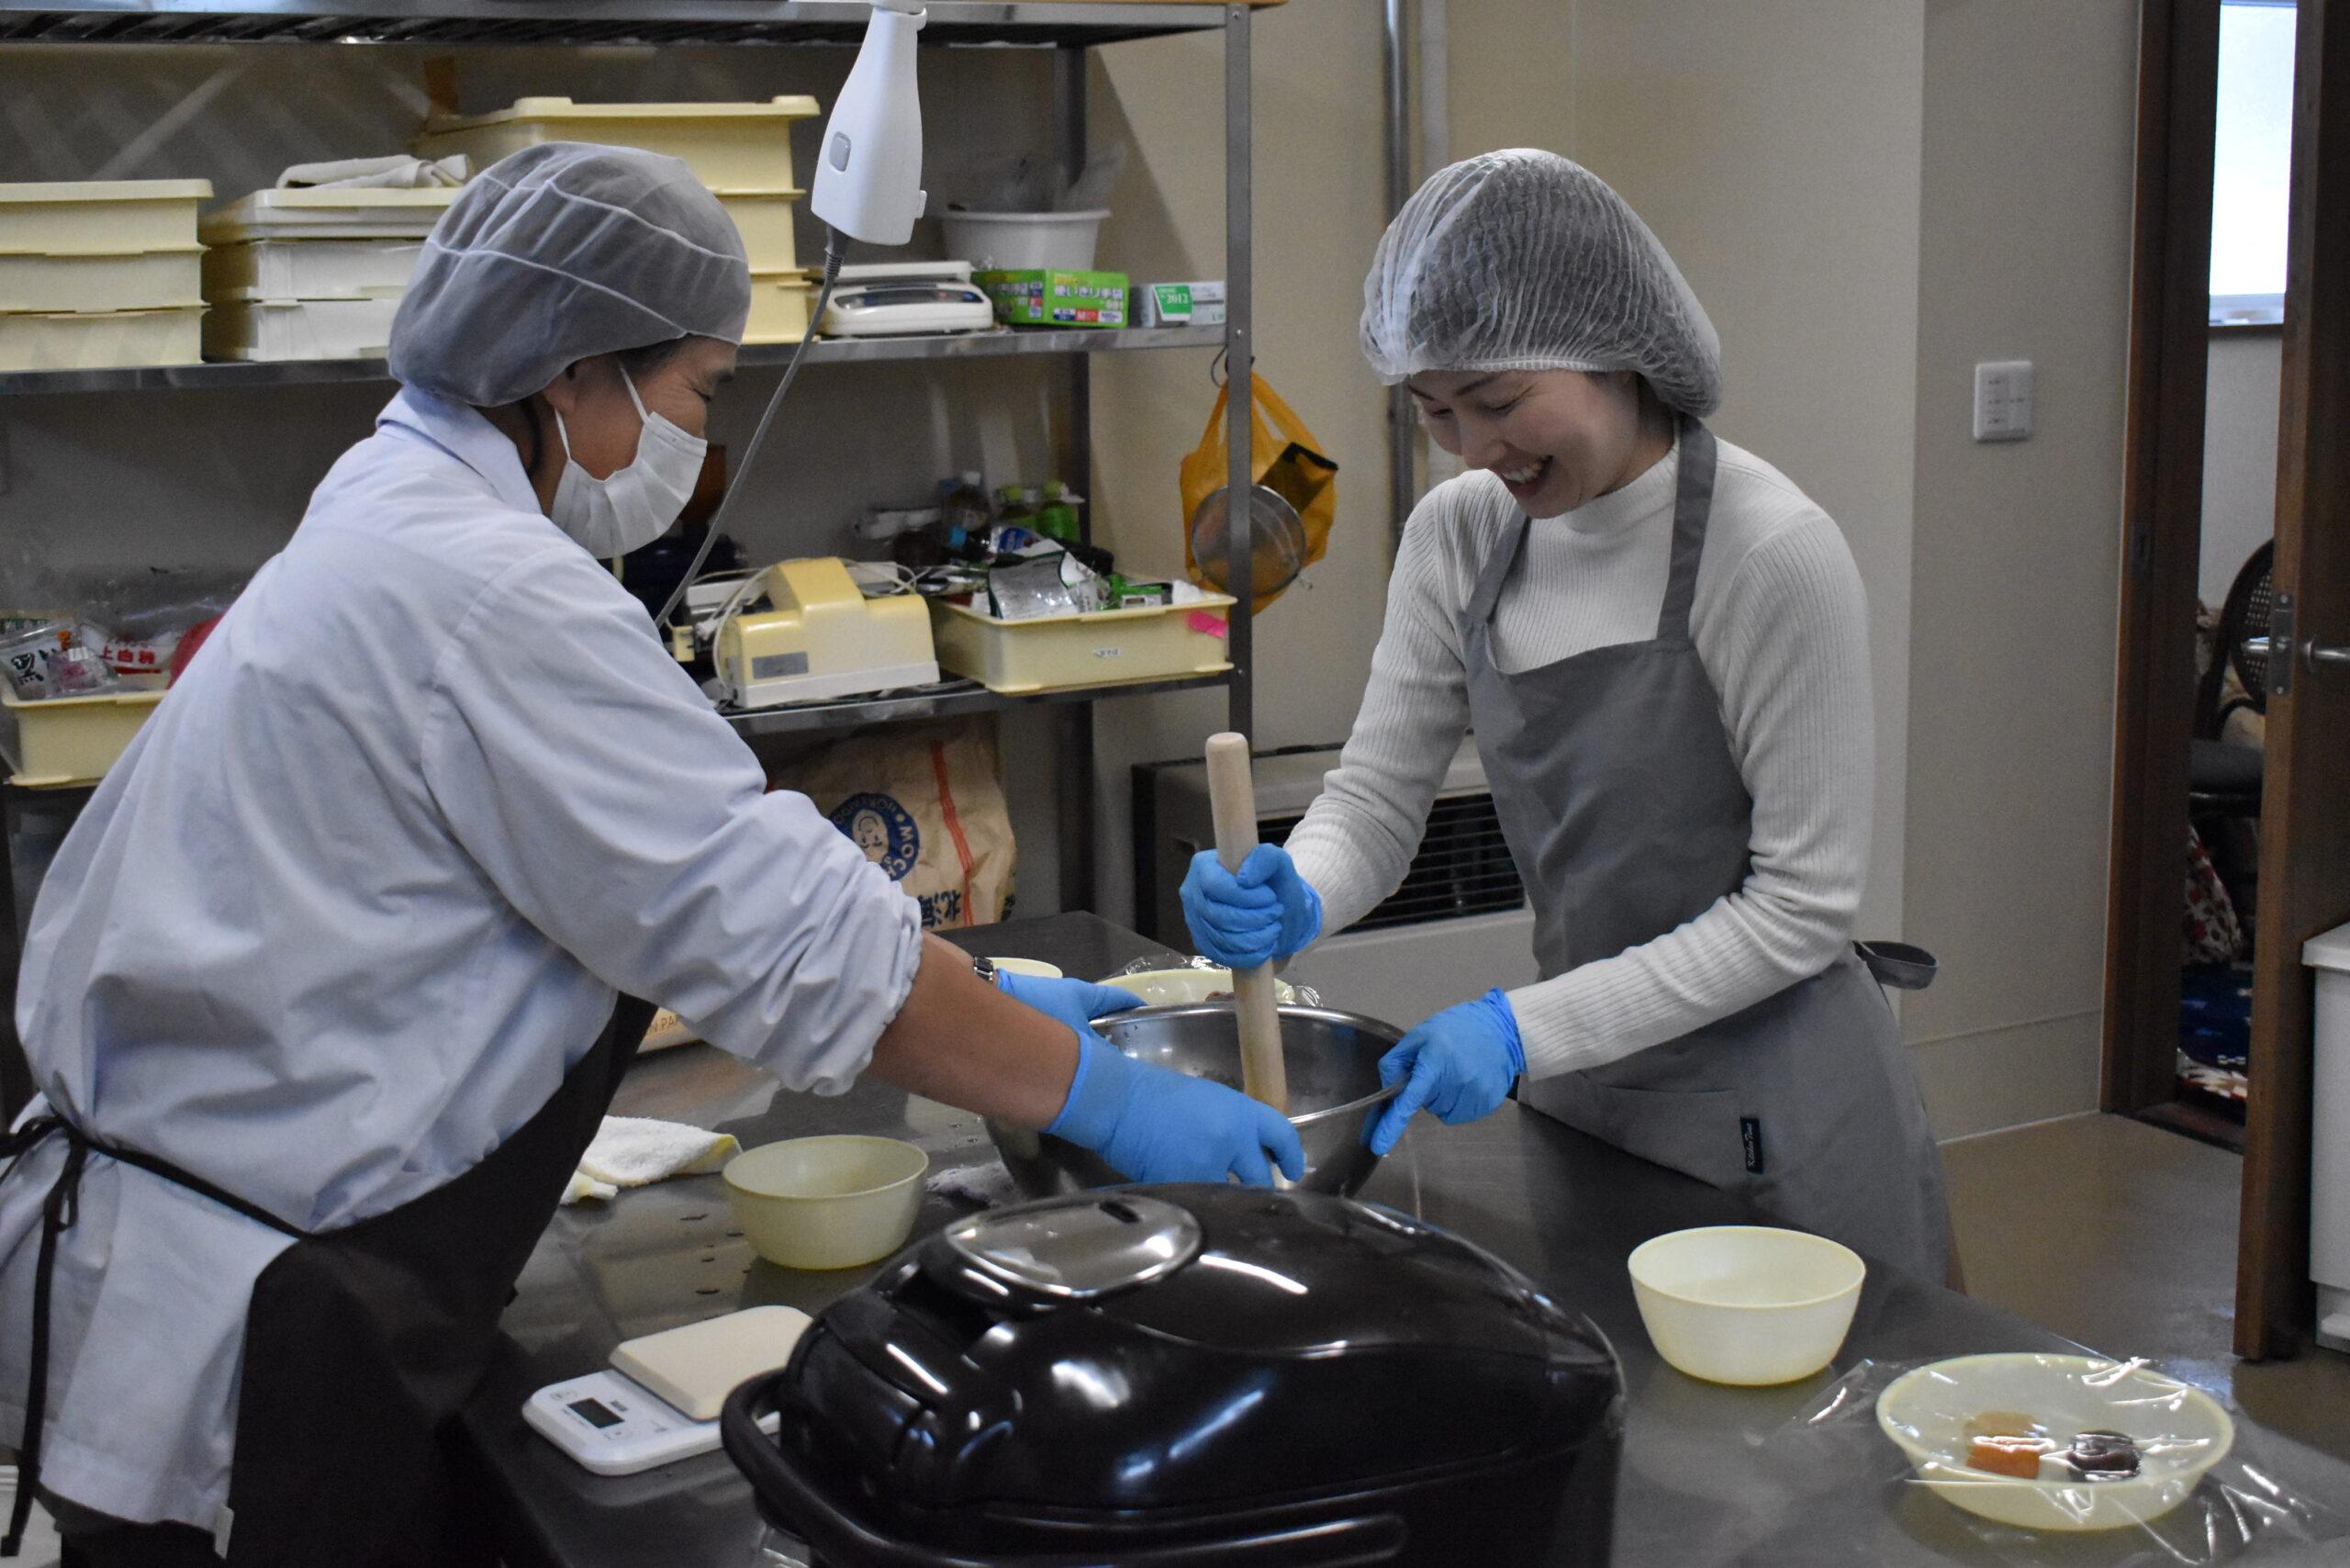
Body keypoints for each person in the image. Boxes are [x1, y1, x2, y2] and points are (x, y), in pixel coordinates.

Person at [0, 144, 1300, 1568]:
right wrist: (1104, 1097)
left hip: (203, 1257)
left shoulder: (397, 510)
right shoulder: (492, 590)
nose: (698, 440)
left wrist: (970, 1000)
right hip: (263, 1320)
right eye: (697, 390)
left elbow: (629, 899)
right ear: (574, 375)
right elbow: (785, 938)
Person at [1181, 150, 1951, 1282]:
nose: (1477, 449)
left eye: (1498, 402)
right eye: (1435, 411)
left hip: (1778, 1113)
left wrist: (1520, 1029)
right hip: (1591, 1089)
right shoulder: (1459, 535)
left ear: (1614, 349)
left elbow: (1800, 909)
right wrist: (1300, 890)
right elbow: (1379, 801)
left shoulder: (1769, 555)